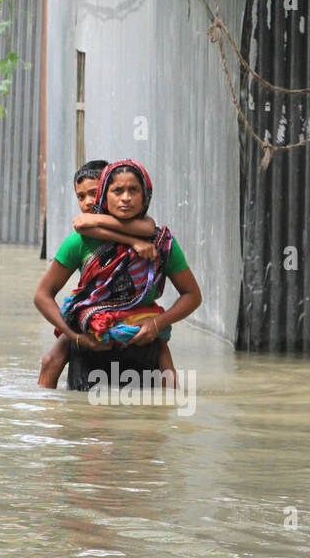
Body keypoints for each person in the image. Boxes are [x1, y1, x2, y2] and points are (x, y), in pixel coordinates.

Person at [33, 158, 201, 391]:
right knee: (52, 361)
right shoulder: (79, 241)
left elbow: (192, 295)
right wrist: (75, 337)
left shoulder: (162, 243)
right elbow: (42, 295)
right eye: (117, 191)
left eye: (133, 190)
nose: (125, 198)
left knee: (168, 385)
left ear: (145, 195)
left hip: (143, 338)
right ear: (106, 195)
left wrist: (157, 323)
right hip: (91, 337)